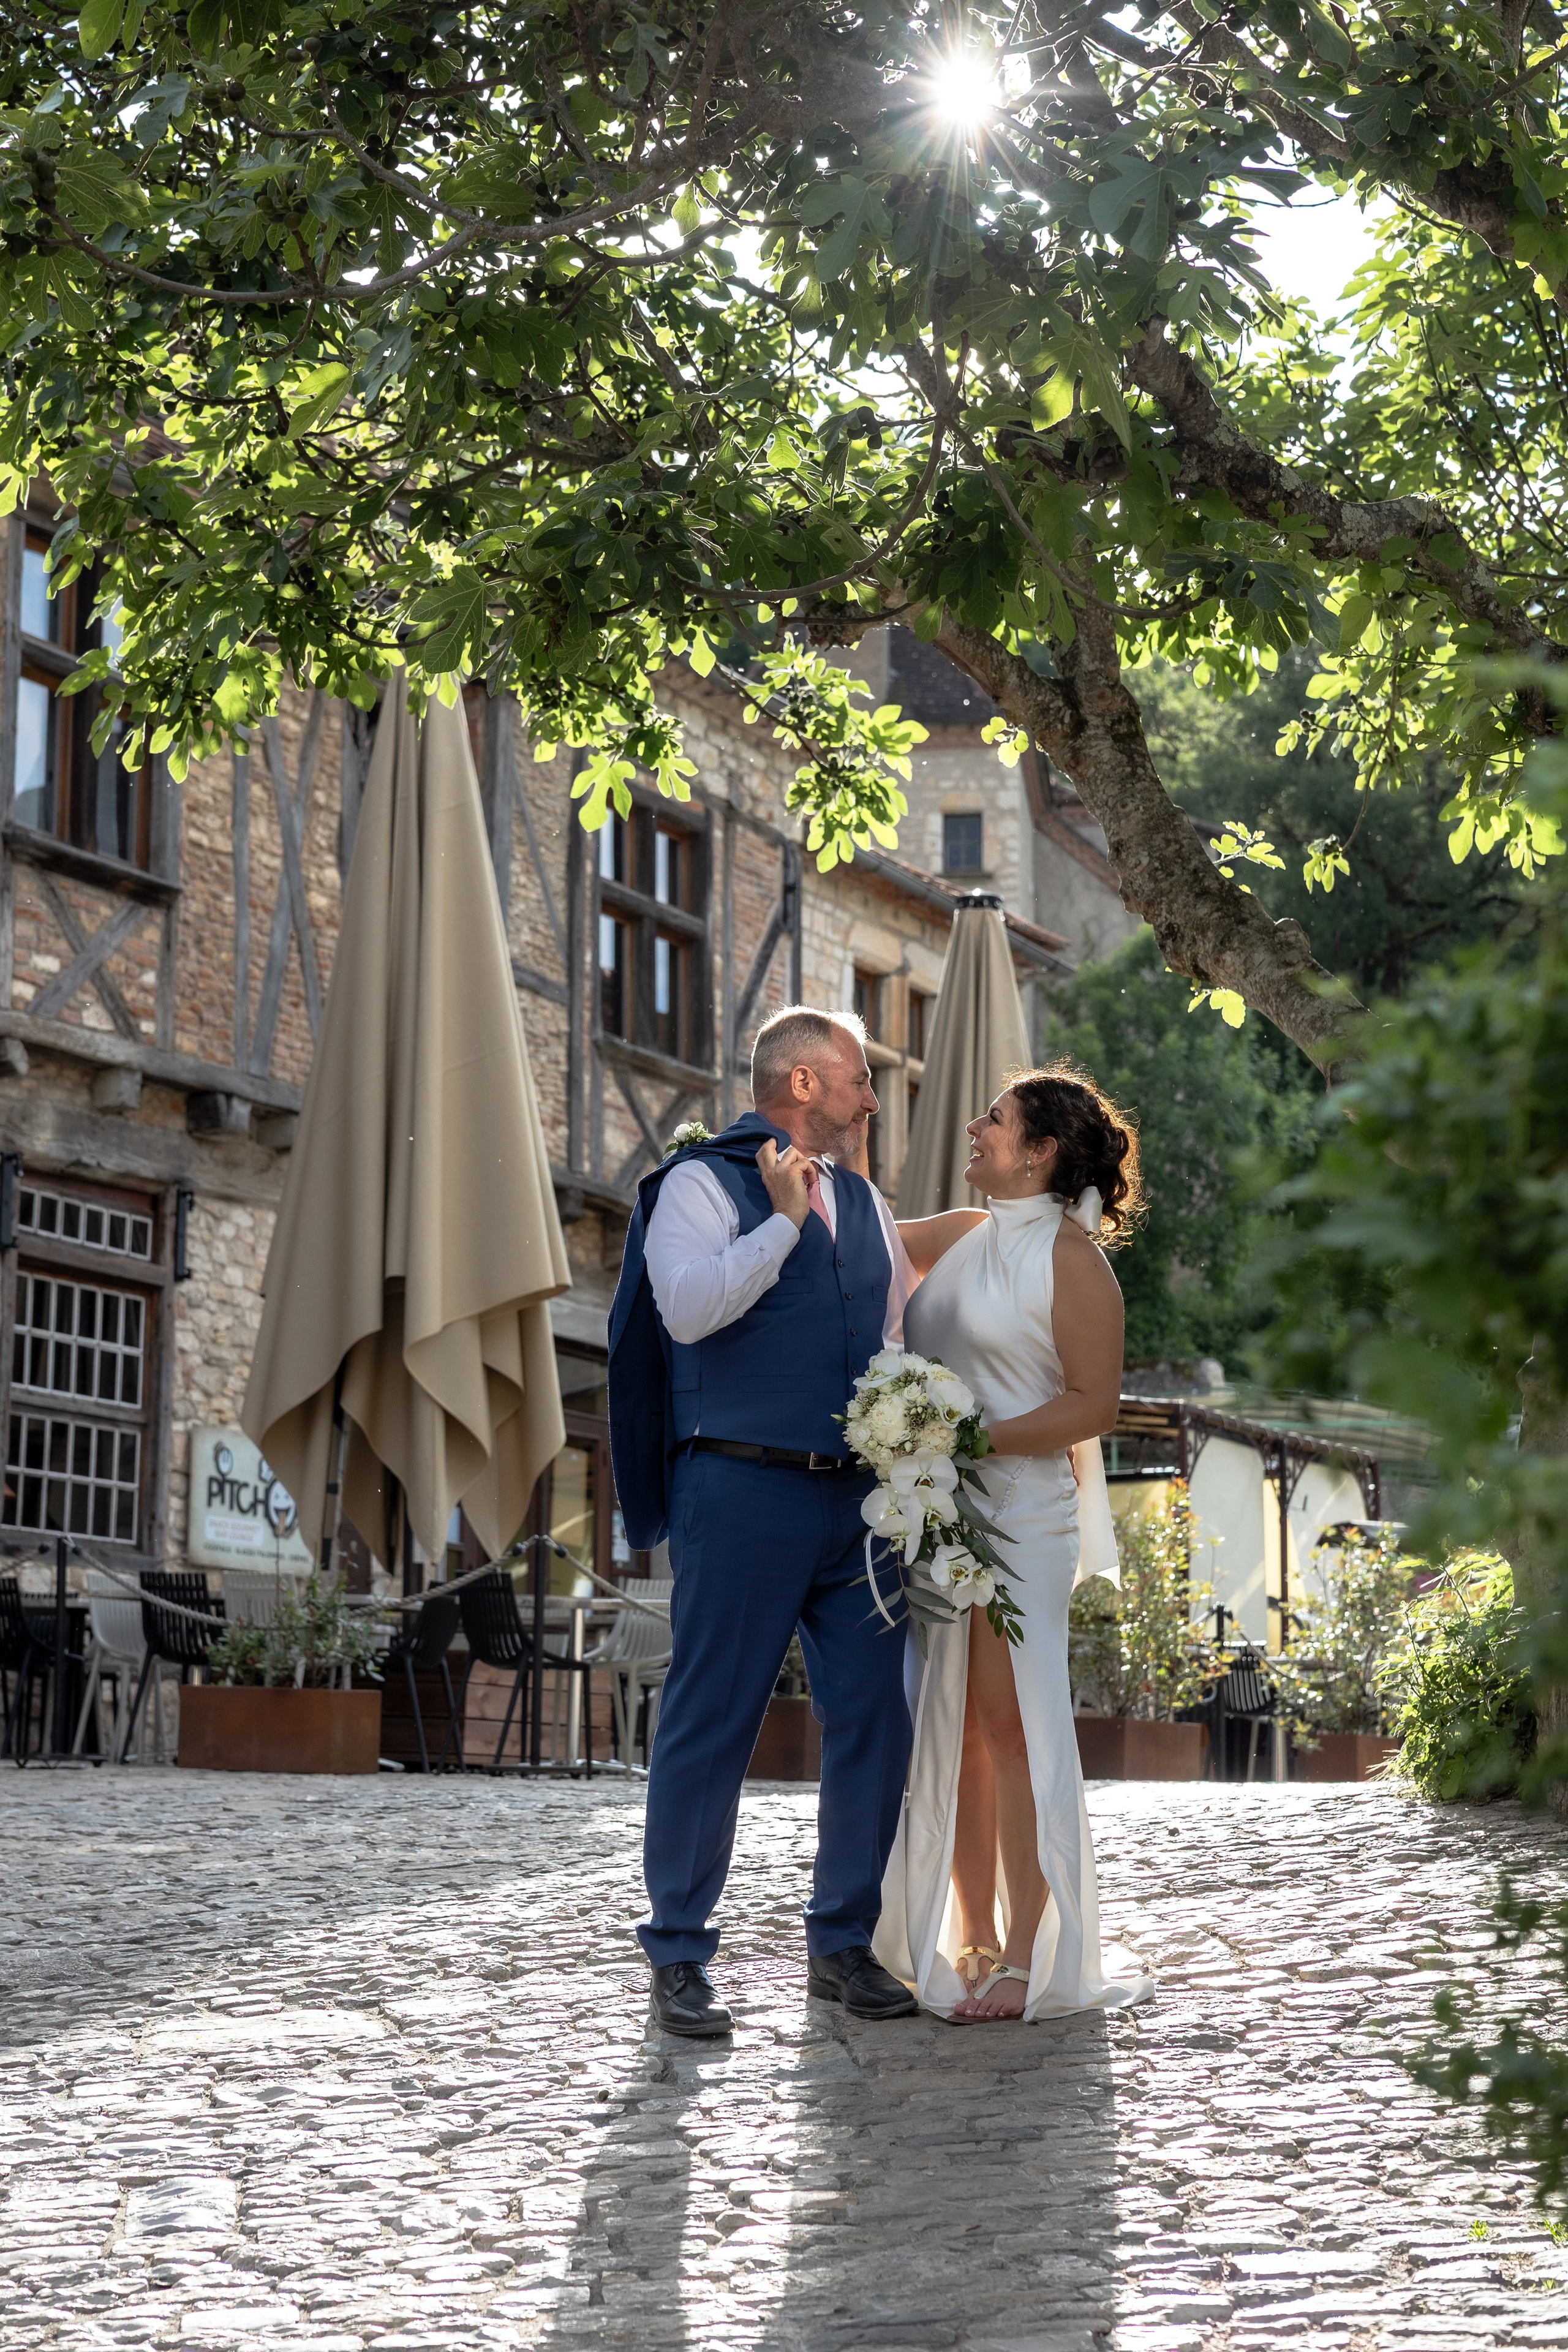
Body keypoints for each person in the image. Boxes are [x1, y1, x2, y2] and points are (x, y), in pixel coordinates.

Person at [608, 1006, 921, 2038]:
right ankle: (679, 1951)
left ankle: (842, 1941)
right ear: (802, 1083)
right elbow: (688, 1310)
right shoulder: (699, 1185)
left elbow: (892, 1335)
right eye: (859, 1080)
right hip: (739, 1490)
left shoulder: (867, 1205)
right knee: (714, 1719)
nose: (871, 1099)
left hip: (857, 1502)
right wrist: (781, 1225)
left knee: (876, 1715)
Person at [873, 1064, 1155, 2022]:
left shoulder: (1076, 1264)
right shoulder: (963, 1233)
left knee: (1009, 1727)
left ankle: (1032, 1950)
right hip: (938, 1511)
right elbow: (857, 1242)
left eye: (994, 1119)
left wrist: (971, 1440)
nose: (973, 1127)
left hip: (1022, 1514)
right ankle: (971, 1934)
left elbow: (1093, 1405)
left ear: (1040, 1152)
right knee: (952, 1728)